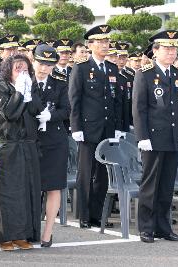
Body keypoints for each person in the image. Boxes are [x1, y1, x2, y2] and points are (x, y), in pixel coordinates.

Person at [132, 30, 178, 243]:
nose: (171, 53)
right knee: (150, 184)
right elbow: (139, 109)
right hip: (153, 138)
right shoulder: (145, 74)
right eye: (166, 48)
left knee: (166, 185)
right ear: (155, 51)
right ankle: (146, 227)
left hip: (173, 137)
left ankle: (163, 227)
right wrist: (142, 136)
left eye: (174, 49)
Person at [69, 25, 123, 229]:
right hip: (87, 129)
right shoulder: (81, 68)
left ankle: (97, 214)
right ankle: (84, 215)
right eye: (99, 42)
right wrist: (76, 128)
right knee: (85, 174)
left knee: (102, 175)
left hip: (107, 130)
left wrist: (117, 127)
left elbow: (116, 100)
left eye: (106, 42)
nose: (104, 45)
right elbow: (75, 100)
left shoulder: (112, 68)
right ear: (90, 45)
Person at [0, 54, 43, 251]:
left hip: (27, 145)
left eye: (26, 69)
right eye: (18, 68)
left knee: (27, 192)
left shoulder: (31, 85)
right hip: (7, 147)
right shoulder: (0, 89)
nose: (22, 72)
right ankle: (5, 236)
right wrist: (19, 94)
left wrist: (29, 94)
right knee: (6, 193)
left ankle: (22, 235)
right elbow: (10, 114)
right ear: (9, 71)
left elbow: (37, 109)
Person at [31, 44, 69, 247]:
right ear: (32, 60)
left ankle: (48, 233)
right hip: (31, 141)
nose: (44, 68)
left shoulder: (60, 83)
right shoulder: (25, 82)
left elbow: (67, 110)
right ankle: (32, 228)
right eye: (40, 63)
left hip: (55, 142)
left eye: (48, 65)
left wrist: (51, 116)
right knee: (33, 187)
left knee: (54, 187)